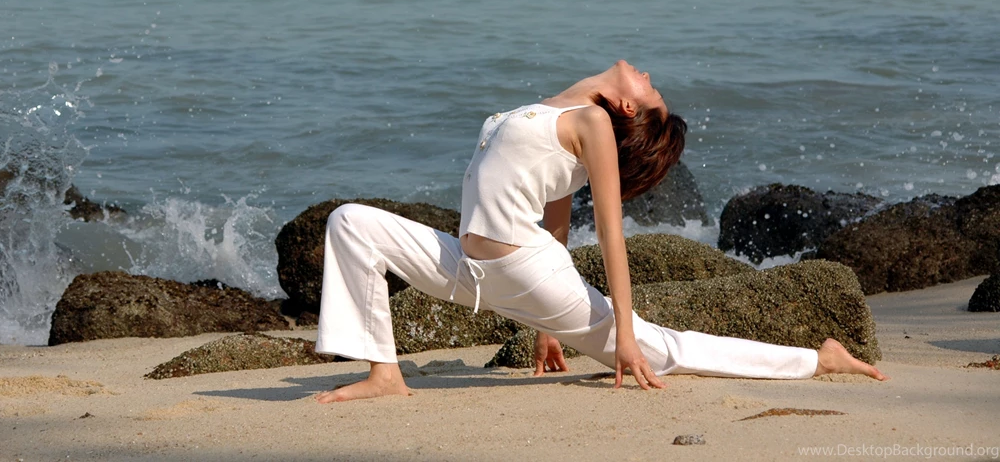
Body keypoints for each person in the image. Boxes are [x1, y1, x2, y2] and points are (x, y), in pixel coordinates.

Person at [314, 60, 887, 403]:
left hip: (528, 270)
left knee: (662, 350)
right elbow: (557, 210)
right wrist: (543, 329)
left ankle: (819, 360)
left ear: (627, 110)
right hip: (469, 268)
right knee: (351, 222)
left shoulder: (593, 124)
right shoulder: (551, 110)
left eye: (650, 90)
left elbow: (610, 233)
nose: (647, 76)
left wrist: (626, 332)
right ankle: (384, 372)